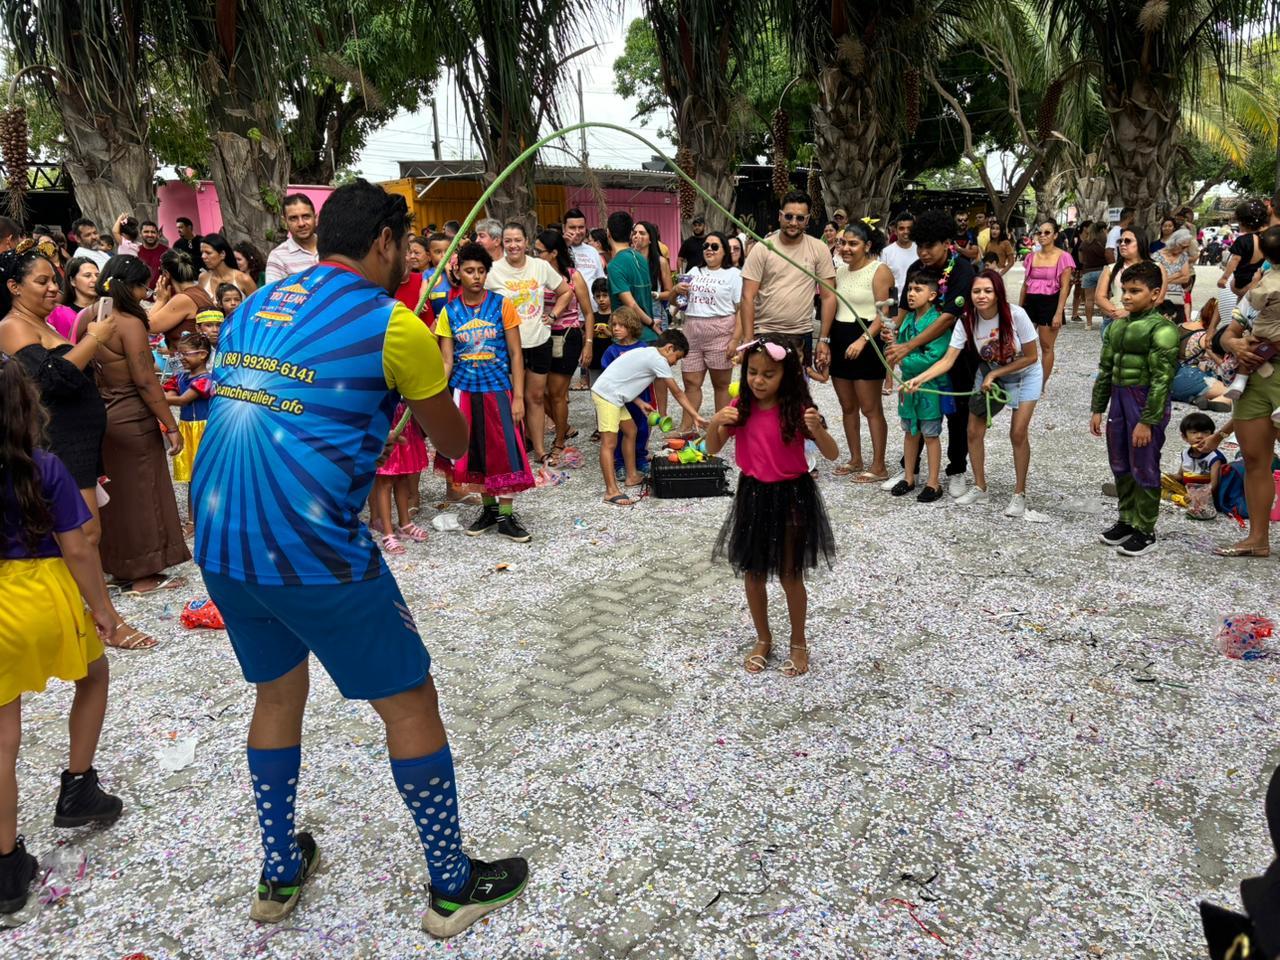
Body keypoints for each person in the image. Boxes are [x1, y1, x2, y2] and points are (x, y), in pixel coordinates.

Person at [192, 182, 526, 935]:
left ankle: (278, 875)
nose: (407, 258)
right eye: (404, 246)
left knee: (277, 696)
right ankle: (452, 885)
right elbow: (455, 444)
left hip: (219, 541)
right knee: (410, 701)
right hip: (312, 550)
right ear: (383, 243)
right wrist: (414, 380)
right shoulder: (394, 324)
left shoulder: (256, 304)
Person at [0, 359, 123, 917]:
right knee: (92, 676)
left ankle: (6, 866)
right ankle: (78, 786)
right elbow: (78, 548)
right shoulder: (42, 466)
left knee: (4, 732)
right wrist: (104, 611)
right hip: (41, 591)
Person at [0, 247, 153, 653]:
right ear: (14, 287)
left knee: (88, 531)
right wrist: (93, 339)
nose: (54, 288)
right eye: (42, 281)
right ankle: (106, 620)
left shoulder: (42, 322)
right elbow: (49, 381)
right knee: (81, 535)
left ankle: (85, 614)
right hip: (60, 442)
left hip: (80, 442)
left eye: (54, 280)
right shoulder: (13, 326)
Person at [706, 336, 836, 678]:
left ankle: (798, 641)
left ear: (787, 376)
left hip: (792, 495)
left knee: (791, 574)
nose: (758, 381)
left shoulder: (796, 409)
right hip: (752, 494)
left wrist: (817, 430)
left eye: (768, 374)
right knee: (754, 573)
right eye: (753, 372)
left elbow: (833, 453)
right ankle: (763, 638)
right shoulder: (741, 406)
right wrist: (715, 422)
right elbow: (713, 447)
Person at [76, 255, 190, 588]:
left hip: (103, 415)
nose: (146, 293)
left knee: (115, 498)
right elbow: (145, 380)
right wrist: (170, 424)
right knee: (144, 492)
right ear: (131, 286)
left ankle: (118, 566)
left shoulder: (88, 318)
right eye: (143, 286)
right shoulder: (128, 322)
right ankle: (145, 573)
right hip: (133, 417)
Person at [905, 270, 1044, 517]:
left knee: (1018, 433)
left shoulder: (1016, 315)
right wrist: (919, 379)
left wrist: (994, 375)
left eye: (988, 291)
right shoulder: (967, 320)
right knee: (972, 431)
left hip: (1024, 374)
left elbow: (1032, 356)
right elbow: (948, 360)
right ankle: (980, 486)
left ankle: (1019, 493)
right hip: (990, 372)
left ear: (998, 292)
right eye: (977, 291)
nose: (982, 296)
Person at [434, 240, 536, 542]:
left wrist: (518, 396)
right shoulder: (449, 312)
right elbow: (447, 360)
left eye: (481, 271)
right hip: (464, 392)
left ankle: (506, 516)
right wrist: (438, 399)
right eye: (469, 271)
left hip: (498, 390)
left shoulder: (502, 304)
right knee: (475, 452)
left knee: (504, 451)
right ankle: (489, 510)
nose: (476, 276)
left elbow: (517, 354)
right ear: (458, 273)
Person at [883, 208, 978, 497]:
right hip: (916, 359)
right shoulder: (916, 269)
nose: (923, 252)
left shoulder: (962, 269)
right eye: (919, 246)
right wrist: (894, 332)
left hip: (957, 354)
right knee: (915, 409)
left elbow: (948, 317)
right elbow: (903, 309)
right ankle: (909, 469)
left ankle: (957, 469)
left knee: (955, 413)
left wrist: (908, 346)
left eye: (929, 246)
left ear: (946, 243)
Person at [1090, 260, 1178, 557]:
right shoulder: (1116, 326)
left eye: (1135, 291)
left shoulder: (1163, 330)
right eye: (1124, 290)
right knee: (1119, 462)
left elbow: (1162, 380)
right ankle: (1126, 520)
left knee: (1144, 463)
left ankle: (1145, 528)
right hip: (1118, 398)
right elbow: (1105, 369)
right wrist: (1097, 407)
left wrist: (1147, 421)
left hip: (1145, 401)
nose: (1126, 296)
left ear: (1154, 294)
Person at [486, 222, 572, 466]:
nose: (513, 245)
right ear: (502, 243)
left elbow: (565, 292)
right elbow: (477, 300)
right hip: (507, 345)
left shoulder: (540, 266)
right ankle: (515, 449)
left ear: (526, 242)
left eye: (517, 240)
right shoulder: (492, 271)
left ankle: (540, 450)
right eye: (508, 241)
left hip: (538, 340)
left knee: (535, 397)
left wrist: (553, 314)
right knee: (514, 397)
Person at [592, 327, 704, 507]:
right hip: (607, 397)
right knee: (608, 443)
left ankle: (631, 476)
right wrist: (695, 415)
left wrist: (637, 402)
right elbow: (678, 392)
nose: (675, 363)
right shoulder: (658, 360)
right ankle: (611, 491)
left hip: (614, 393)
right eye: (678, 357)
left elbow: (623, 377)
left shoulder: (648, 352)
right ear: (669, 348)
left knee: (631, 430)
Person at [820, 221, 893, 481]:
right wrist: (825, 340)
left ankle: (879, 465)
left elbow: (883, 312)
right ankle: (855, 458)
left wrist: (863, 340)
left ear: (868, 245)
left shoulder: (879, 270)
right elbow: (830, 305)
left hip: (866, 339)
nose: (846, 248)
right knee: (847, 405)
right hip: (841, 336)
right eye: (843, 243)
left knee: (870, 407)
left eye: (853, 243)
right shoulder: (838, 271)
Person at [740, 189, 837, 367]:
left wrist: (823, 339)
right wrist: (747, 338)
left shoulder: (819, 248)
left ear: (807, 220)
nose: (793, 222)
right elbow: (747, 296)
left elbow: (829, 296)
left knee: (798, 392)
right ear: (780, 216)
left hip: (801, 334)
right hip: (765, 332)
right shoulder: (762, 248)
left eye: (800, 218)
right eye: (789, 216)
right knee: (763, 391)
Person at [534, 229, 593, 464]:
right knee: (539, 392)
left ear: (553, 253)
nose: (535, 255)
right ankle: (565, 426)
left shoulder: (572, 276)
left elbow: (588, 313)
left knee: (558, 394)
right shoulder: (535, 275)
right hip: (539, 337)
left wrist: (588, 344)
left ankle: (559, 441)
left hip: (566, 337)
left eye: (539, 251)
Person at [888, 271, 948, 502]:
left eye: (918, 290)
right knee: (910, 430)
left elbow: (935, 356)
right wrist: (893, 346)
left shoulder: (938, 322)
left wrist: (902, 359)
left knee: (931, 433)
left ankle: (934, 482)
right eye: (910, 289)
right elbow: (900, 346)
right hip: (907, 385)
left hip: (928, 383)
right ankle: (909, 476)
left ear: (932, 295)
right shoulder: (908, 320)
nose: (911, 294)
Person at [675, 230, 741, 432]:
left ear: (724, 251)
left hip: (721, 330)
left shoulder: (734, 275)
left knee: (721, 384)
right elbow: (679, 304)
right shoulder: (694, 271)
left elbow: (741, 310)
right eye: (706, 246)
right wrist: (677, 293)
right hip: (692, 330)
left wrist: (735, 340)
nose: (709, 250)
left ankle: (720, 427)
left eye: (714, 246)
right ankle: (687, 427)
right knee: (690, 381)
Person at [1221, 225, 1280, 410]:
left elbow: (1255, 301)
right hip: (1254, 391)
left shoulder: (1266, 283)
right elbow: (1228, 334)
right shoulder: (1267, 280)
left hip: (1263, 341)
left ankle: (1240, 380)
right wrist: (1233, 344)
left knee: (1257, 345)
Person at [162, 332, 214, 534]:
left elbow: (182, 399)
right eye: (178, 354)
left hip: (204, 429)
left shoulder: (206, 380)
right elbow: (172, 392)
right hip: (187, 427)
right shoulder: (181, 377)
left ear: (202, 355)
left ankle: (210, 516)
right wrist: (167, 395)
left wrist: (154, 396)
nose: (180, 358)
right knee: (192, 477)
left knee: (208, 473)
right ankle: (193, 521)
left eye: (185, 354)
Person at [1019, 220, 1075, 384]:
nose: (1042, 236)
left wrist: (1058, 312)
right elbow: (1025, 284)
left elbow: (1065, 287)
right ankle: (1023, 378)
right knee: (1022, 343)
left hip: (1050, 302)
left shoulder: (1064, 257)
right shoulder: (1031, 257)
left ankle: (1041, 383)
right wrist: (1019, 309)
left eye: (1047, 232)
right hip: (1030, 301)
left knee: (1046, 346)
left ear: (1055, 235)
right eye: (1040, 232)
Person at [599, 306, 654, 471]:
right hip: (620, 401)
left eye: (621, 325)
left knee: (642, 428)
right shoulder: (611, 351)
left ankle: (640, 457)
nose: (616, 328)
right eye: (614, 324)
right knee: (621, 431)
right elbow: (607, 376)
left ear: (631, 326)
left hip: (641, 396)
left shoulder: (644, 348)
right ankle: (620, 462)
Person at [149, 249, 217, 349]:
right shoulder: (199, 290)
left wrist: (160, 300)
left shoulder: (183, 299)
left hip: (187, 359)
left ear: (166, 274)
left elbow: (149, 326)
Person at [1095, 226, 1156, 338]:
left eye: (1128, 241)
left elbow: (1159, 297)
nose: (1122, 244)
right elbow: (1099, 297)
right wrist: (1118, 313)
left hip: (1145, 322)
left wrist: (1130, 313)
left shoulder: (1155, 267)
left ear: (1140, 243)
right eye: (1120, 241)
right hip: (1115, 320)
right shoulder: (1111, 268)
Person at [264, 194, 319, 283]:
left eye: (306, 216)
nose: (301, 223)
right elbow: (273, 294)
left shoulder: (334, 247)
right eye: (293, 218)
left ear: (315, 218)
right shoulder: (278, 257)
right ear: (285, 222)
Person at [50, 256, 100, 339]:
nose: (95, 279)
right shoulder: (61, 314)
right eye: (87, 276)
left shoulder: (107, 308)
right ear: (73, 281)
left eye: (97, 275)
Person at [1073, 221, 1109, 329]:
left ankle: (1088, 323)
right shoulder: (1104, 241)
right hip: (1102, 271)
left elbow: (1080, 259)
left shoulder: (1084, 242)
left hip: (1088, 272)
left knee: (1089, 299)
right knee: (1104, 297)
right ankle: (1105, 322)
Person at [199, 233, 257, 298]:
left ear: (222, 254)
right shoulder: (203, 278)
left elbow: (257, 305)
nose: (203, 256)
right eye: (202, 253)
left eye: (208, 253)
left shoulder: (244, 279)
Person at [563, 208, 605, 289]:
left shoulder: (592, 251)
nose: (577, 231)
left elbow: (600, 279)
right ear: (564, 228)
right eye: (572, 227)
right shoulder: (555, 250)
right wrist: (564, 246)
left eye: (581, 227)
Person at [1153, 228, 1194, 310]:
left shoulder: (1183, 256)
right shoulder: (1156, 256)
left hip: (1177, 299)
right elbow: (1154, 279)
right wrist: (1177, 275)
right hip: (1160, 297)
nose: (1184, 249)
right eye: (1182, 247)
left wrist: (1165, 279)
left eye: (1187, 247)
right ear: (1174, 243)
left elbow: (1185, 278)